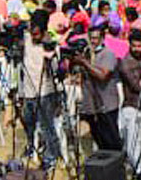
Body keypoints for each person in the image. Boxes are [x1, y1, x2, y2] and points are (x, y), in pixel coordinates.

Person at [20, 10, 61, 170]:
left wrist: (49, 52)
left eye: (37, 34)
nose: (34, 36)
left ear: (44, 31)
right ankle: (32, 147)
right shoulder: (26, 38)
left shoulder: (50, 43)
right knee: (27, 120)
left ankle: (51, 157)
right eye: (32, 32)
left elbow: (56, 69)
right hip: (28, 90)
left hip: (45, 90)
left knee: (46, 125)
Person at [70, 26, 122, 151]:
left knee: (112, 141)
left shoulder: (107, 54)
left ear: (102, 39)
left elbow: (102, 76)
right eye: (91, 38)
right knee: (99, 140)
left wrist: (84, 63)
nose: (93, 41)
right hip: (91, 105)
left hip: (106, 104)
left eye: (96, 38)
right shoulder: (87, 54)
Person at [117, 29, 141, 165]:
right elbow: (137, 87)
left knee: (137, 143)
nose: (137, 49)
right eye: (134, 46)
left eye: (140, 46)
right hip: (130, 107)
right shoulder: (126, 63)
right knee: (132, 146)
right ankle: (139, 173)